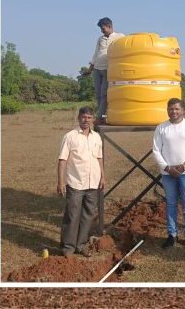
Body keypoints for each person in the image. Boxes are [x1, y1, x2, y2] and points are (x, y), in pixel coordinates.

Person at [152, 98, 185, 250]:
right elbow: (156, 150)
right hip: (168, 174)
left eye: (176, 109)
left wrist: (184, 166)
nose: (174, 112)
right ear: (167, 110)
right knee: (171, 204)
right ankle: (172, 236)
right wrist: (167, 168)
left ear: (182, 110)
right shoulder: (161, 128)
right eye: (171, 109)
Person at [57, 106, 106, 257]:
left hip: (93, 183)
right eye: (83, 117)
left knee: (88, 215)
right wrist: (60, 181)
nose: (86, 120)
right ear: (78, 118)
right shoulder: (70, 136)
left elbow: (99, 158)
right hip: (75, 182)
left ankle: (81, 244)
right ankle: (68, 248)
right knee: (72, 215)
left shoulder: (96, 137)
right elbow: (62, 160)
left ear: (93, 120)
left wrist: (103, 176)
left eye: (89, 118)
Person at [87, 17, 125, 123]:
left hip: (108, 69)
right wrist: (90, 68)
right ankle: (102, 117)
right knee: (98, 94)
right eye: (101, 29)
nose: (102, 30)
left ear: (109, 26)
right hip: (97, 68)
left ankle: (100, 117)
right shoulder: (100, 39)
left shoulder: (120, 37)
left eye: (103, 28)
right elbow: (95, 54)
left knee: (104, 94)